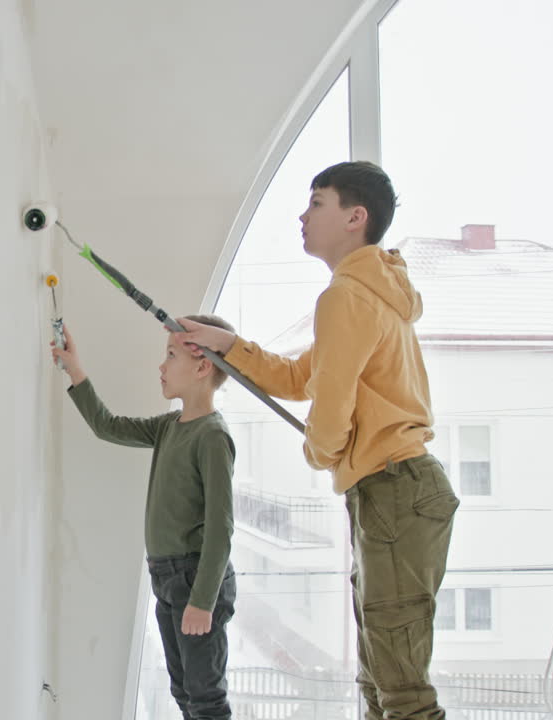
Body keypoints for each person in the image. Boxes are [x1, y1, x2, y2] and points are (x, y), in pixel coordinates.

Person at [172, 161, 459, 719]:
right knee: (382, 676)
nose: (303, 216)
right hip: (394, 491)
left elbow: (329, 409)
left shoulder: (348, 296)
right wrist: (225, 343)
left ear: (356, 217)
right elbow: (301, 377)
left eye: (317, 203)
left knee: (398, 688)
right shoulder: (367, 293)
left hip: (395, 489)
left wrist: (320, 452)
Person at [51, 315, 238, 720]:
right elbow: (108, 427)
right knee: (184, 692)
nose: (161, 366)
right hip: (167, 578)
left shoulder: (212, 436)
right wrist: (76, 370)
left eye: (170, 355)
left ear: (203, 366)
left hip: (195, 580)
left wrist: (203, 601)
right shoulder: (170, 426)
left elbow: (220, 529)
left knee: (205, 698)